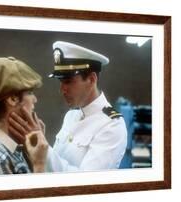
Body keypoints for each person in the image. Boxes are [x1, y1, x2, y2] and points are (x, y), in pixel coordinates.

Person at [9, 41, 127, 172]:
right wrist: (40, 145)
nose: (62, 89)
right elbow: (57, 164)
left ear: (92, 79)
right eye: (61, 81)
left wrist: (45, 150)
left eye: (68, 81)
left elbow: (86, 183)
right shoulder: (71, 115)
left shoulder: (111, 125)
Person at [0, 56, 48, 175]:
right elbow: (32, 194)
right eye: (30, 92)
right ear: (12, 99)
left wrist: (29, 152)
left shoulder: (3, 144)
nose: (35, 99)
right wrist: (40, 164)